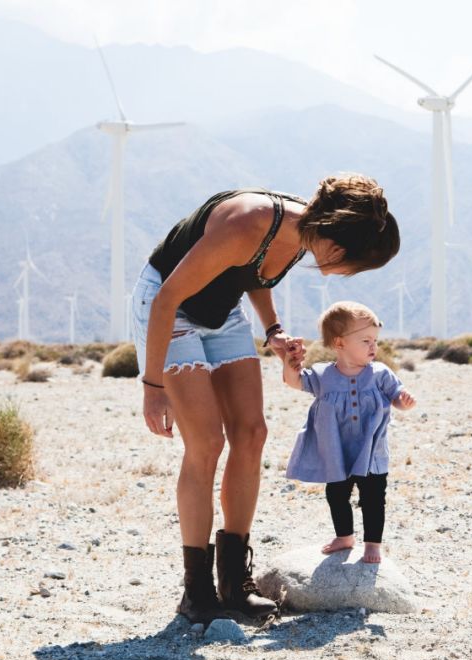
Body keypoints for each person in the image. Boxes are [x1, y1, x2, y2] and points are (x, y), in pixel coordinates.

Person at [131, 175, 400, 624]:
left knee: (252, 433)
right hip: (169, 308)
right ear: (337, 241)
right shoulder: (247, 221)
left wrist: (273, 329)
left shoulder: (304, 234)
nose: (348, 273)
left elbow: (254, 272)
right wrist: (153, 386)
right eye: (353, 263)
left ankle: (234, 583)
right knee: (206, 443)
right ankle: (196, 592)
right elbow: (167, 298)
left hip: (223, 312)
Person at [281, 301, 416, 564]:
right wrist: (290, 362)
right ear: (340, 343)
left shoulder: (379, 373)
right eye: (366, 341)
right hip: (336, 451)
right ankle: (344, 536)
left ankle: (373, 544)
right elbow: (294, 381)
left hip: (371, 452)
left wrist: (404, 401)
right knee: (336, 494)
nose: (373, 346)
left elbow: (396, 395)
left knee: (373, 497)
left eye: (375, 340)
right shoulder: (323, 376)